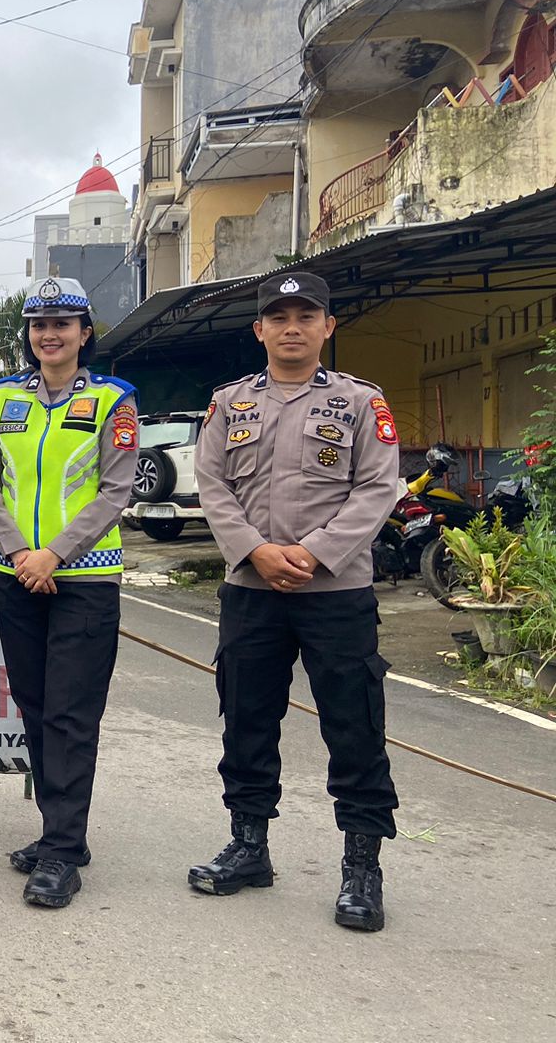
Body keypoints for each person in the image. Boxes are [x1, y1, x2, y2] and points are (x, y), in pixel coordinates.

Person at [190, 271, 400, 932]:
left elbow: (377, 488)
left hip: (336, 591)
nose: (291, 327)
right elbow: (212, 484)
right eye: (278, 317)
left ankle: (362, 866)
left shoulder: (362, 403)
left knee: (354, 725)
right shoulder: (229, 404)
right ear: (259, 330)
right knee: (246, 720)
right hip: (251, 590)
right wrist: (254, 550)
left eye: (305, 315)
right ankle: (249, 847)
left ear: (327, 327)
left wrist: (314, 553)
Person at [0, 275, 137, 909]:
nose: (50, 334)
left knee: (71, 712)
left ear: (83, 333)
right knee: (36, 707)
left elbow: (116, 490)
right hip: (16, 575)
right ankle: (57, 830)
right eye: (39, 324)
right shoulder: (2, 400)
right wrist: (20, 553)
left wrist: (54, 555)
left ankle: (64, 852)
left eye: (63, 324)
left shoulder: (115, 400)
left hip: (85, 579)